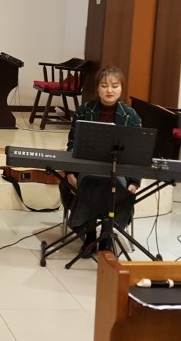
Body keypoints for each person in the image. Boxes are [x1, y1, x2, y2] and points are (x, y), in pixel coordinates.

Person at [62, 65, 141, 257]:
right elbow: (72, 145)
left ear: (121, 88)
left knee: (116, 184)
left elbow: (138, 153)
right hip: (87, 169)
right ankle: (90, 235)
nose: (109, 90)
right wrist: (70, 172)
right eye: (104, 85)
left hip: (118, 171)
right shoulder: (84, 111)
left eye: (115, 86)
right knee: (89, 181)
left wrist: (134, 182)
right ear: (97, 88)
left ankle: (106, 235)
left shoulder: (131, 115)